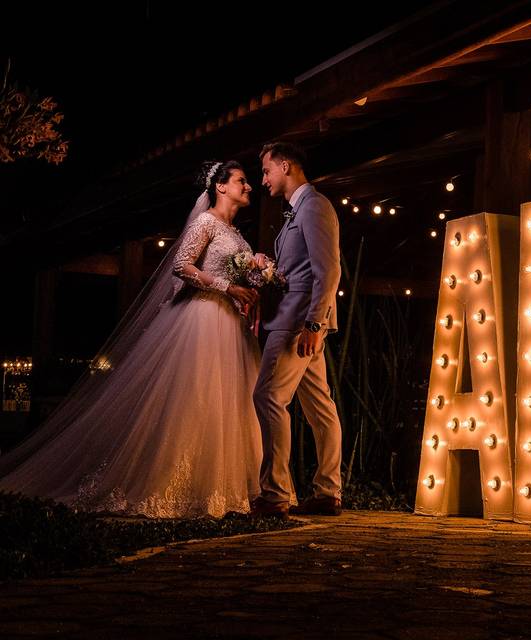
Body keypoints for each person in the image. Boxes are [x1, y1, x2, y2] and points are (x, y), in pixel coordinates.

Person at [0, 161, 264, 518]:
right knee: (194, 399)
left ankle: (221, 488)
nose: (248, 187)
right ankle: (177, 487)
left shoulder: (237, 234)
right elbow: (181, 265)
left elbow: (233, 272)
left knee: (227, 401)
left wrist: (253, 282)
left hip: (229, 323)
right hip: (201, 319)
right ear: (220, 187)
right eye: (242, 181)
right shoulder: (206, 222)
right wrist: (226, 285)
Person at [251, 142, 343, 518]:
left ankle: (275, 495)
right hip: (299, 321)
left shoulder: (315, 206)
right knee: (320, 406)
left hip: (296, 324)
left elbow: (329, 271)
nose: (263, 180)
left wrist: (313, 324)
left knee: (269, 398)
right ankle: (327, 492)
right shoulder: (298, 211)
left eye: (266, 171)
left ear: (285, 166)